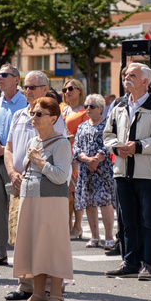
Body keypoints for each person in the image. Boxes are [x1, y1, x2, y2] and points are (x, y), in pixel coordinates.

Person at [104, 63, 151, 280]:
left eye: (132, 75)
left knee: (148, 221)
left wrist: (139, 146)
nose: (127, 78)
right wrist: (116, 147)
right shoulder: (118, 106)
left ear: (145, 81)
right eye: (126, 74)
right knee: (127, 220)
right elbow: (107, 135)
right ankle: (130, 262)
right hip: (122, 172)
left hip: (148, 173)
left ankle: (149, 264)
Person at [3, 70, 69, 301]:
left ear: (45, 89)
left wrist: (38, 163)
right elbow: (9, 148)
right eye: (25, 87)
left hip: (47, 188)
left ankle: (51, 288)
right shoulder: (19, 115)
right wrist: (12, 172)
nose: (27, 91)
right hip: (22, 182)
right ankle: (27, 286)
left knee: (46, 240)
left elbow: (59, 154)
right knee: (24, 237)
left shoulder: (53, 115)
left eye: (32, 87)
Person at [13, 97, 73, 301]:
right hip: (31, 199)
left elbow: (60, 176)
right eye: (33, 113)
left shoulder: (61, 142)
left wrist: (39, 161)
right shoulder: (33, 141)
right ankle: (38, 294)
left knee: (53, 247)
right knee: (35, 246)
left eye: (39, 114)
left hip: (51, 201)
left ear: (53, 118)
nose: (34, 117)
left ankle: (56, 295)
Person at [0, 64, 26, 267]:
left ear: (16, 79)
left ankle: (22, 252)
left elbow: (28, 136)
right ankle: (0, 252)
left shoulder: (25, 103)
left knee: (19, 208)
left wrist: (6, 150)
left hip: (17, 162)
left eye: (4, 75)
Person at [72, 93, 116, 248]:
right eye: (86, 106)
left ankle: (109, 237)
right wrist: (86, 159)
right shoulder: (82, 126)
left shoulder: (108, 124)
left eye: (92, 106)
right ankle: (94, 236)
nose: (88, 109)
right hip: (86, 170)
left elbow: (110, 143)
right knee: (89, 203)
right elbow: (76, 146)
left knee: (105, 202)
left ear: (101, 108)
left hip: (103, 170)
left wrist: (97, 159)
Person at [61, 78, 88, 239]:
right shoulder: (62, 108)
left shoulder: (84, 111)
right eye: (65, 90)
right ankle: (67, 225)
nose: (67, 92)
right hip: (61, 154)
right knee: (65, 193)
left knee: (76, 192)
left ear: (79, 90)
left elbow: (87, 132)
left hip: (76, 155)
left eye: (71, 88)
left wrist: (71, 137)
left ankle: (77, 226)